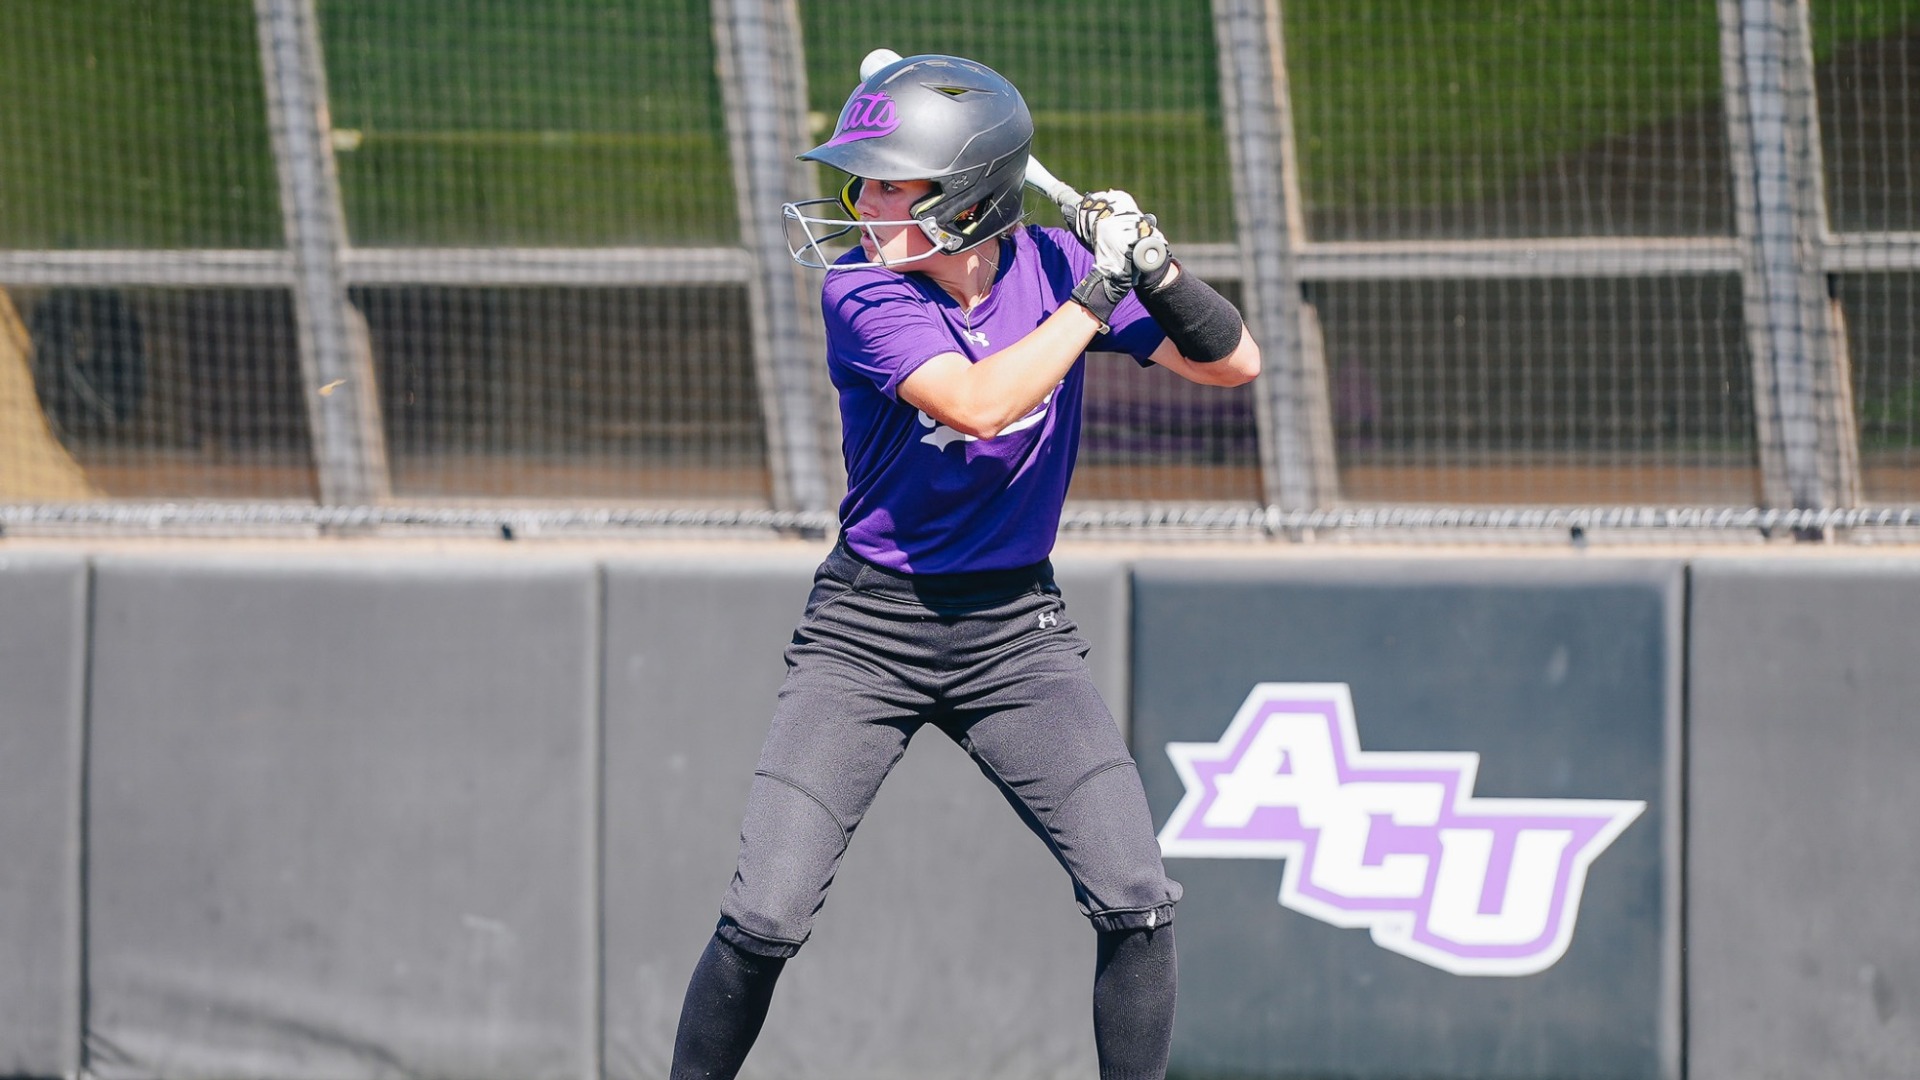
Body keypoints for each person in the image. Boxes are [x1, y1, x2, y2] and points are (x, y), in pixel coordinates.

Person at [668, 53, 1260, 1080]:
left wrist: (1154, 268)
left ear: (972, 203)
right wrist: (1099, 292)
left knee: (1138, 899)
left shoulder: (1043, 269)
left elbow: (1233, 362)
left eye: (896, 184)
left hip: (1015, 633)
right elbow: (980, 401)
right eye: (868, 180)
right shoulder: (861, 293)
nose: (865, 203)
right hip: (867, 632)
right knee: (764, 916)